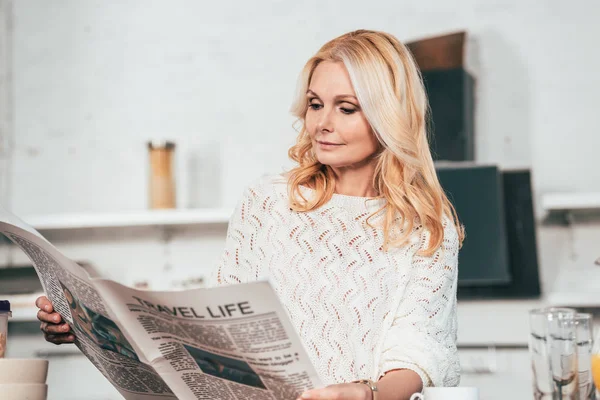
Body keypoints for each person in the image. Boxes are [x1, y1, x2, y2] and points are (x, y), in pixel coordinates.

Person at [36, 29, 464, 400]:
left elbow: (418, 354)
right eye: (315, 104)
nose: (322, 124)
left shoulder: (426, 225)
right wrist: (90, 328)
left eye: (346, 108)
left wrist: (365, 394)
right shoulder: (268, 202)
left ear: (389, 115)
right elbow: (219, 329)